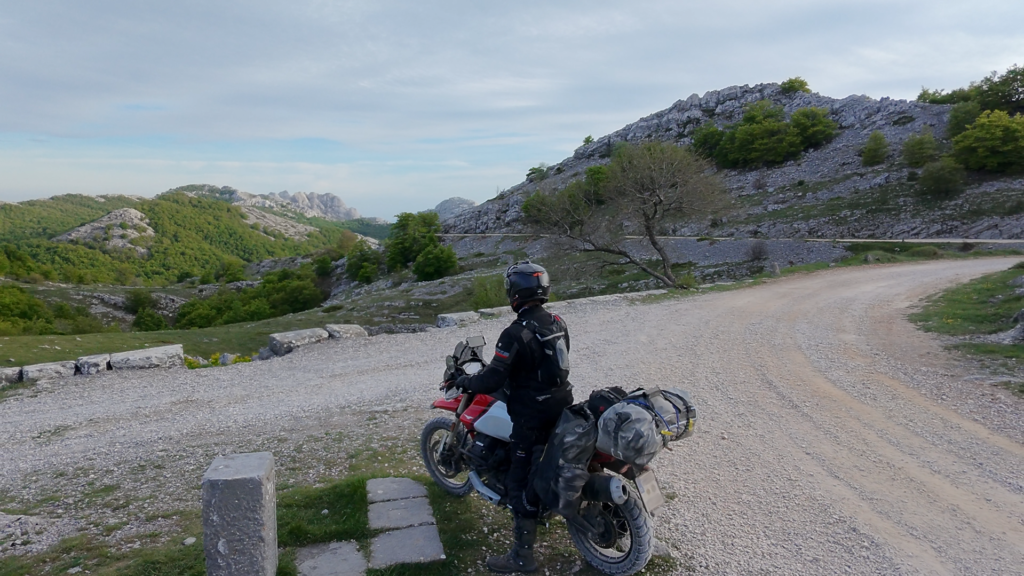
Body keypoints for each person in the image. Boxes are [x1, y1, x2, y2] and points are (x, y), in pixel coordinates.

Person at [452, 261, 573, 573]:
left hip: (531, 417)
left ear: (515, 292)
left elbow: (492, 378)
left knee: (518, 483)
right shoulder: (557, 321)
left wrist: (464, 381)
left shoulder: (515, 332)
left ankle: (522, 557)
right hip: (561, 405)